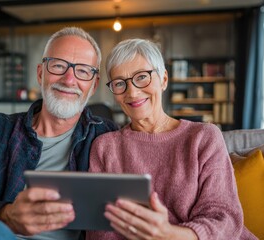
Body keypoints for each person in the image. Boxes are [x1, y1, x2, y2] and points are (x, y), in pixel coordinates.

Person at [0, 27, 118, 240]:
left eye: (82, 71)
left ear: (93, 85)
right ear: (40, 73)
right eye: (58, 66)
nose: (69, 79)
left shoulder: (106, 136)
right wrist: (8, 215)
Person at [86, 38, 258, 240]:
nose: (132, 92)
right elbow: (99, 231)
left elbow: (224, 218)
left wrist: (168, 234)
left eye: (142, 77)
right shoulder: (106, 147)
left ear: (164, 79)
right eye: (119, 83)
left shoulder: (203, 137)